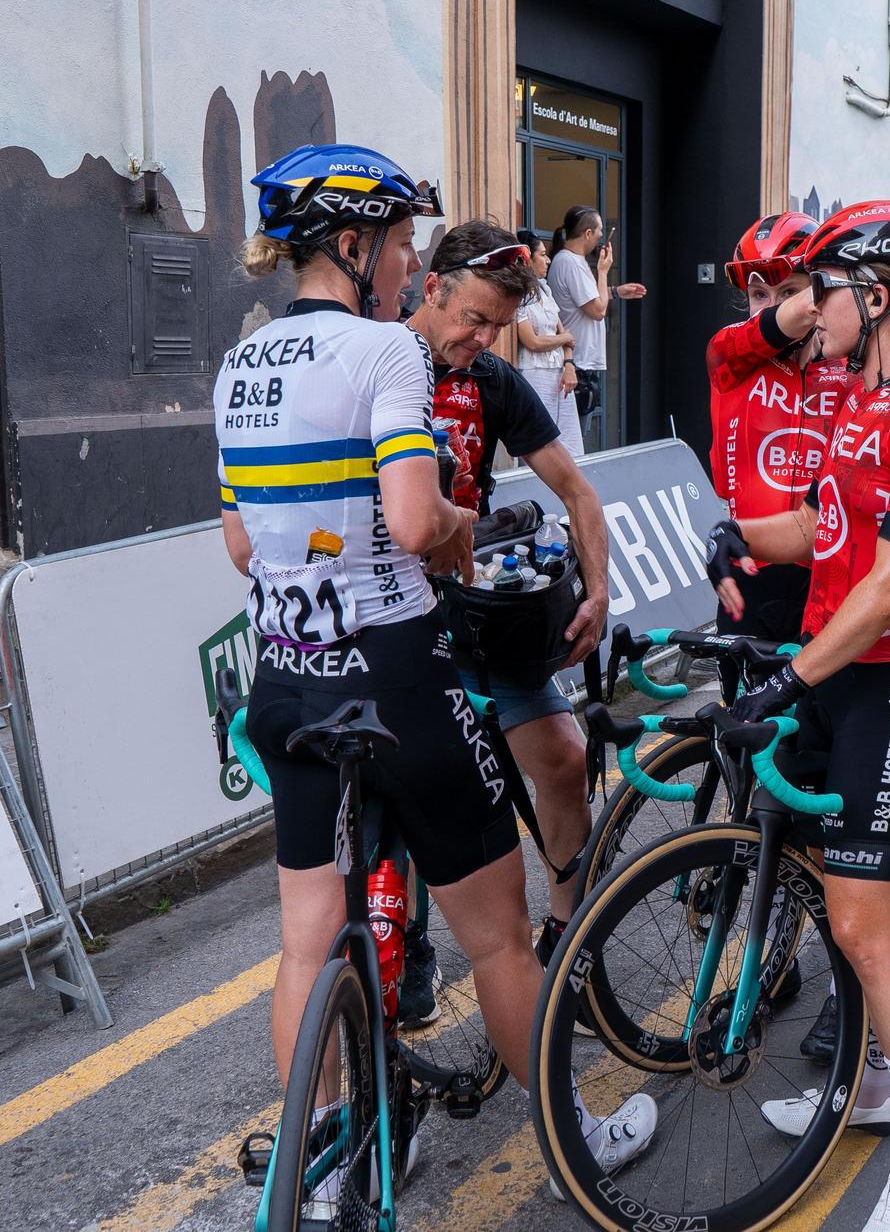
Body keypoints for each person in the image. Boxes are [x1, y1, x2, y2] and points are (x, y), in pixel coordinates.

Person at [220, 147, 653, 1198]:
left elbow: (241, 545)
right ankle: (573, 1148)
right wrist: (458, 526)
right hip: (395, 670)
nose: (410, 265)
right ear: (355, 244)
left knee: (302, 941)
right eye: (405, 244)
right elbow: (415, 520)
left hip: (283, 673)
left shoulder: (240, 364)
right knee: (500, 934)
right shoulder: (385, 354)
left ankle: (321, 1167)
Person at [709, 199, 890, 1231]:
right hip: (833, 676)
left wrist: (789, 678)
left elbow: (889, 584)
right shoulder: (859, 404)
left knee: (864, 921)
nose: (803, 311)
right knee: (840, 901)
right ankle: (869, 1083)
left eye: (819, 291)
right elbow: (819, 531)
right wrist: (733, 536)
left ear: (875, 297)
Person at [414, 222, 617, 968]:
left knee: (565, 758)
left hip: (476, 618)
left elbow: (579, 493)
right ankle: (405, 947)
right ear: (430, 288)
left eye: (499, 327)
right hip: (394, 620)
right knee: (410, 791)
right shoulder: (374, 364)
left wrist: (596, 592)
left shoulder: (491, 381)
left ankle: (567, 932)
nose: (484, 339)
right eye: (474, 320)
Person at [707, 211, 855, 642]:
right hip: (752, 567)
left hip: (831, 569)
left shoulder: (849, 365)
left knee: (816, 707)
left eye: (789, 290)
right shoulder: (727, 353)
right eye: (758, 294)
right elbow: (775, 325)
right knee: (744, 708)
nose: (770, 307)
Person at [547, 205, 647, 450]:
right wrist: (604, 272)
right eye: (600, 230)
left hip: (580, 360)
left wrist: (616, 291)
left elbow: (588, 301)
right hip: (576, 362)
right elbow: (597, 310)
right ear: (588, 233)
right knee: (575, 442)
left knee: (577, 435)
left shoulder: (572, 261)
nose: (603, 236)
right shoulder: (570, 263)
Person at [510, 232, 583, 459]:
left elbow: (565, 333)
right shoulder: (518, 294)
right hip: (535, 374)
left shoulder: (545, 290)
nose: (548, 259)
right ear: (527, 258)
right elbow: (532, 341)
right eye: (542, 254)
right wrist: (562, 340)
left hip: (561, 375)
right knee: (544, 446)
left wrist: (569, 365)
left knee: (572, 445)